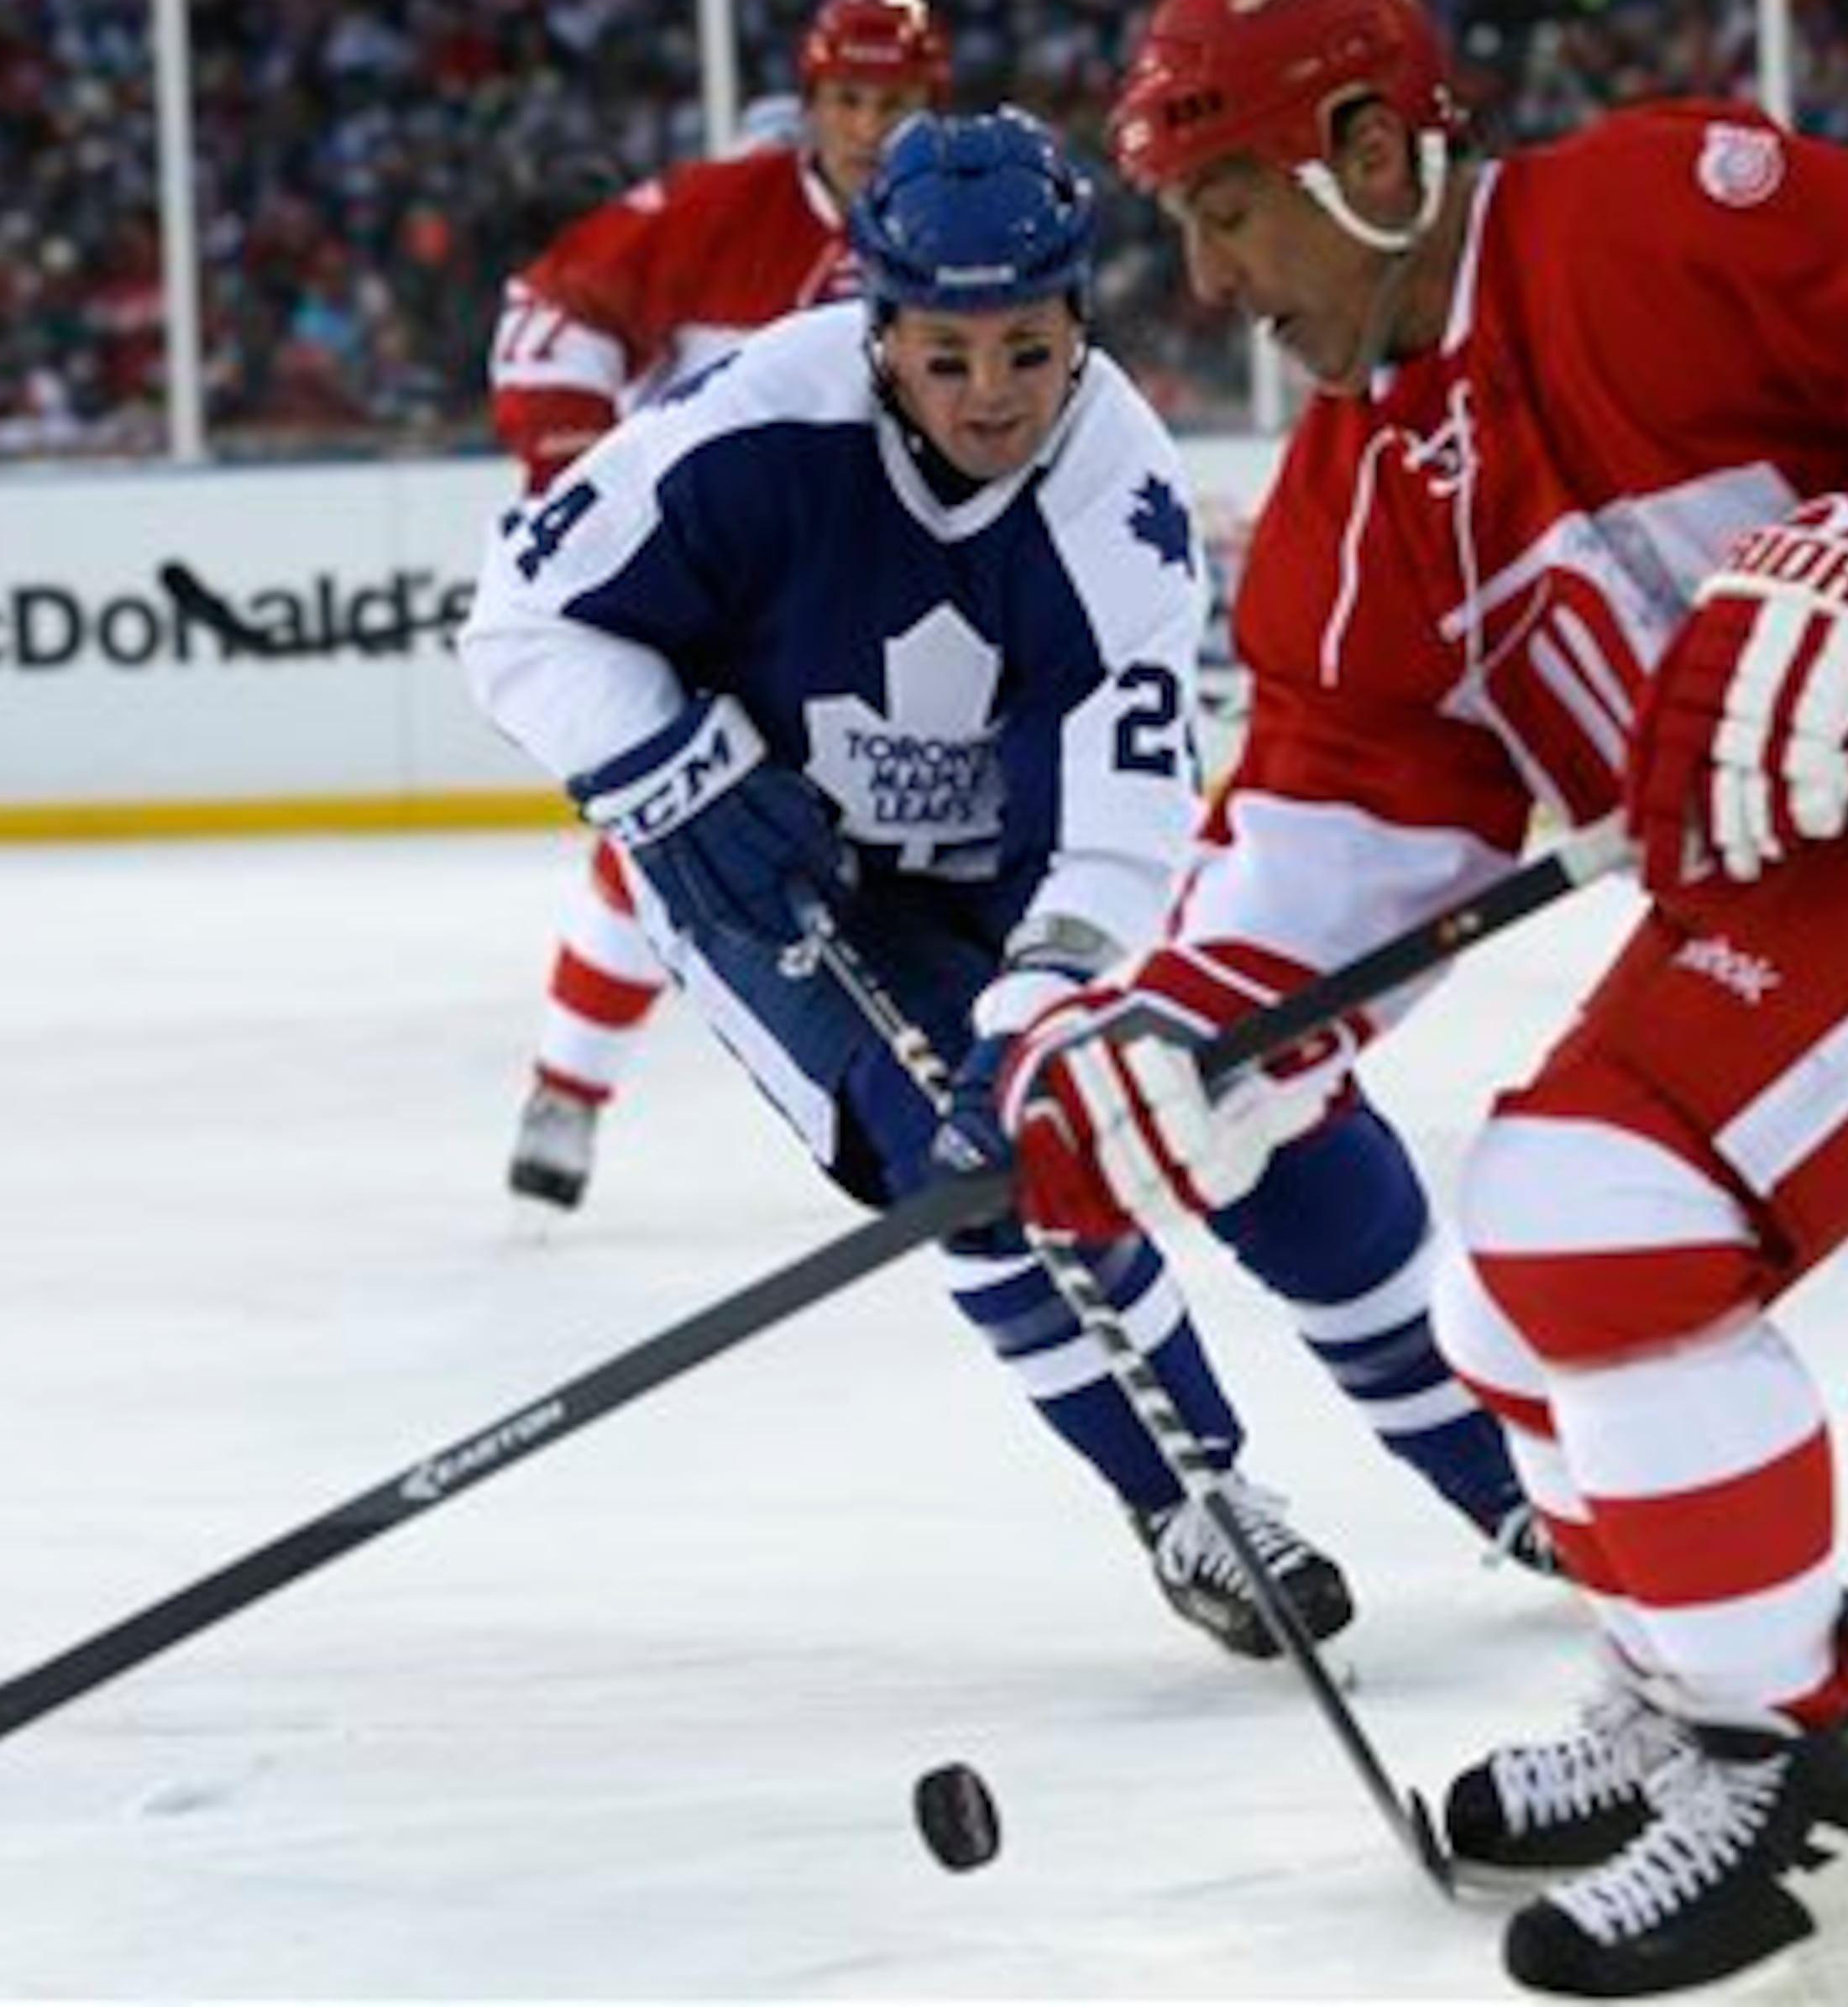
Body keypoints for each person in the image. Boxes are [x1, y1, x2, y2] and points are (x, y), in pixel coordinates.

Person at [993, 0, 1848, 2000]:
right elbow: (1337, 833)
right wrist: (1177, 1039)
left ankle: (1798, 1791)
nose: (1210, 286)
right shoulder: (1346, 505)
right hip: (1845, 882)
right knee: (1506, 1281)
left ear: (1364, 143)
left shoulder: (1646, 214)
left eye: (1223, 210)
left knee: (1595, 1214)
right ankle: (1690, 1702)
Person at [466, 107, 1542, 1661]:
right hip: (792, 882)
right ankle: (1190, 1495)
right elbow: (520, 616)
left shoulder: (1123, 493)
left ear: (1078, 326)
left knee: (1250, 1099)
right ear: (877, 322)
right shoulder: (750, 423)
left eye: (1028, 353)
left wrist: (1039, 1011)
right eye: (947, 354)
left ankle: (1496, 1469)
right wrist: (666, 766)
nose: (992, 398)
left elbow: (1125, 806)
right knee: (962, 1172)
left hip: (1033, 866)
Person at [492, 0, 951, 1213]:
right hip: (726, 588)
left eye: (896, 102)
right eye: (847, 100)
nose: (868, 127)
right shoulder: (717, 212)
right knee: (685, 821)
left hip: (897, 585)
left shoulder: (960, 225)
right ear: (808, 105)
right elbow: (551, 316)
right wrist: (571, 489)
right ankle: (570, 1087)